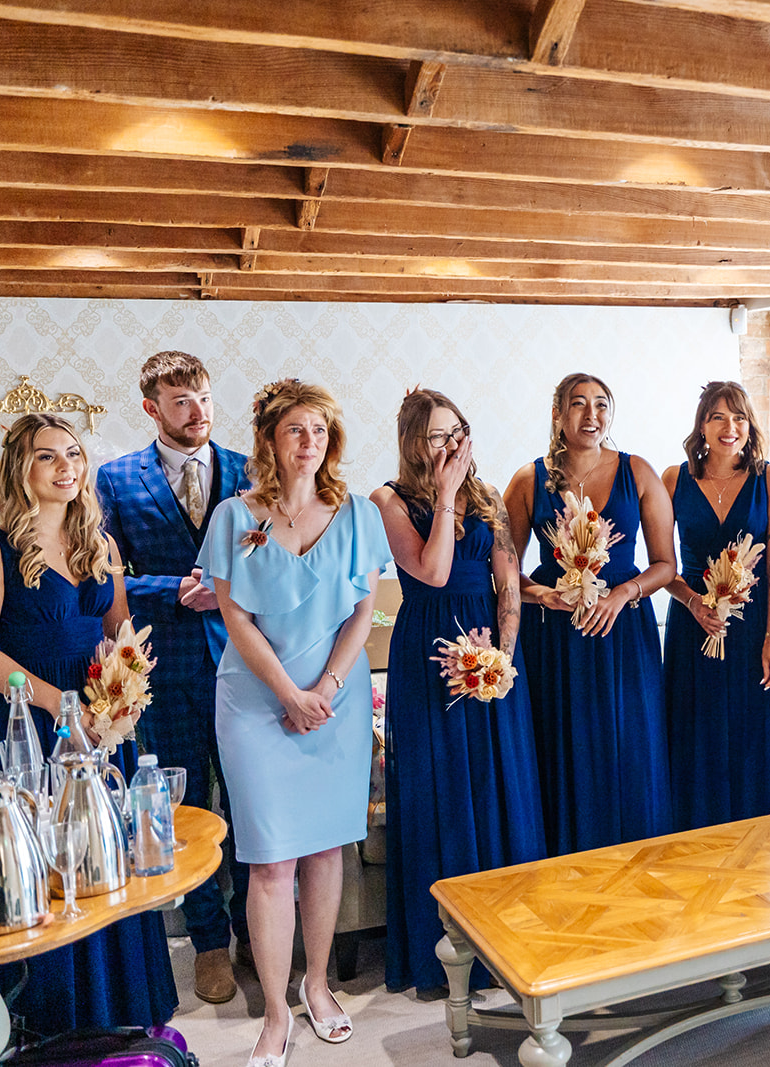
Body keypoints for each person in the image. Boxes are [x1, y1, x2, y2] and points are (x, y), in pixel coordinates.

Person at [0, 413, 178, 1034]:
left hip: (101, 728)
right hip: (30, 725)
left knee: (107, 861)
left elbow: (119, 634)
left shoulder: (99, 546)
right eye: (48, 457)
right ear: (20, 470)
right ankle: (50, 1022)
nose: (66, 468)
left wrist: (121, 692)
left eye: (73, 455)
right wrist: (63, 706)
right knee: (47, 868)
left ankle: (123, 1011)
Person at [196, 380, 391, 1067]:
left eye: (319, 431)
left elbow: (363, 610)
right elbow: (234, 616)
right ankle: (276, 1010)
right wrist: (287, 690)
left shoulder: (360, 514)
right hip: (255, 702)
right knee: (271, 859)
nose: (308, 443)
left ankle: (318, 982)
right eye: (295, 431)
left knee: (325, 849)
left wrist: (329, 687)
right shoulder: (232, 516)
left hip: (333, 700)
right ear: (271, 441)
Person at [371, 389, 544, 994]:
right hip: (426, 656)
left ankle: (511, 945)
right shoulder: (387, 500)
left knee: (499, 785)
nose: (451, 446)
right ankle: (442, 956)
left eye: (458, 433)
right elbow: (435, 572)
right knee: (439, 790)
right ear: (415, 443)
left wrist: (503, 657)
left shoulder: (491, 497)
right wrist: (445, 497)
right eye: (438, 437)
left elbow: (508, 588)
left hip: (493, 661)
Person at [96, 350, 250, 1004]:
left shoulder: (249, 469)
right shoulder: (114, 478)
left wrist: (227, 586)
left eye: (205, 398)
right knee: (183, 809)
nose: (199, 412)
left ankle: (258, 931)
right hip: (162, 668)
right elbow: (103, 570)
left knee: (250, 806)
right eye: (182, 401)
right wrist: (177, 584)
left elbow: (282, 556)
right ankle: (209, 943)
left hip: (247, 664)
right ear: (151, 407)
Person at [504, 373, 676, 855]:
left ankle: (638, 860)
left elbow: (667, 565)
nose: (591, 415)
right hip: (556, 640)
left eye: (601, 404)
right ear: (557, 414)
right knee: (565, 750)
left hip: (625, 637)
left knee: (630, 749)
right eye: (578, 404)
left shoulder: (637, 472)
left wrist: (623, 595)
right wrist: (543, 595)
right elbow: (503, 573)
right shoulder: (526, 480)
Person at [662, 381, 770, 829]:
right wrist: (694, 601)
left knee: (751, 733)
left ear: (750, 425)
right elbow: (663, 566)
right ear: (702, 425)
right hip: (692, 624)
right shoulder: (673, 479)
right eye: (718, 417)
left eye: (738, 417)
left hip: (752, 626)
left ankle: (759, 837)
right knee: (695, 733)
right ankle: (693, 836)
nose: (729, 426)